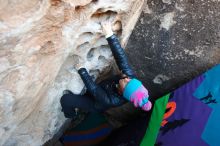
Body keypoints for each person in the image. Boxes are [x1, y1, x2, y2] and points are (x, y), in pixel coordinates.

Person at [60, 21, 152, 118]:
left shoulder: (112, 100)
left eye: (127, 83)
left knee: (65, 99)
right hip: (100, 88)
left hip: (94, 103)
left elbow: (94, 89)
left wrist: (82, 70)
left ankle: (70, 115)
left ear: (123, 91)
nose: (127, 79)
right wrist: (110, 35)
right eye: (131, 80)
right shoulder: (128, 78)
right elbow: (121, 58)